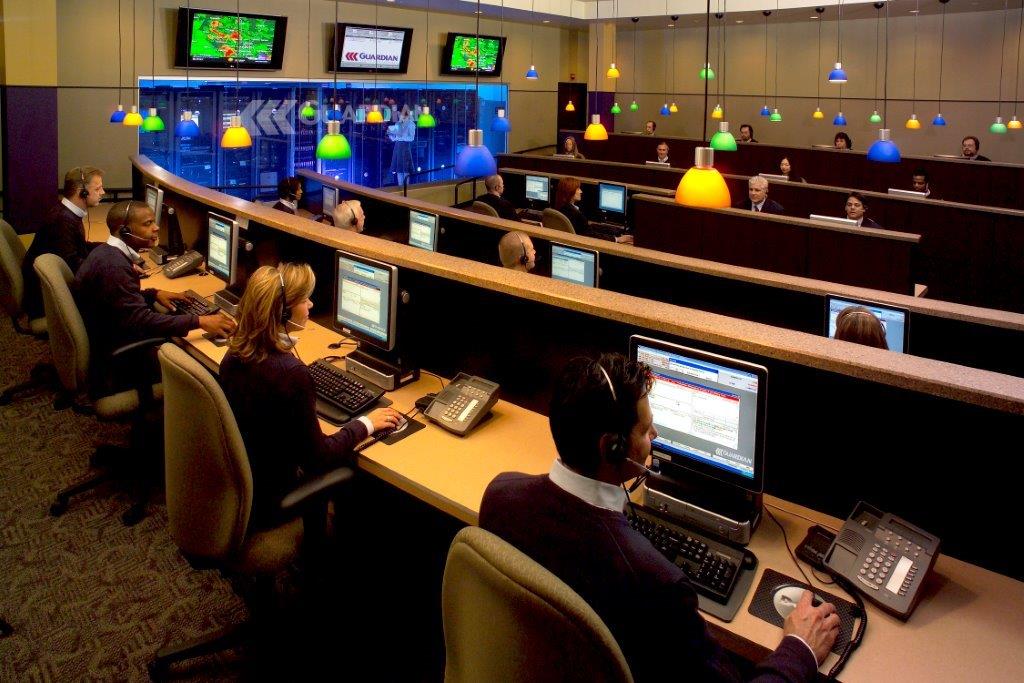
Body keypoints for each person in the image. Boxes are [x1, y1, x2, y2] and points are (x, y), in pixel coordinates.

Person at [480, 354, 839, 683]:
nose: (655, 435)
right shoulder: (657, 584)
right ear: (612, 448)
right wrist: (799, 649)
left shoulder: (500, 497)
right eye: (645, 429)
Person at [220, 263, 403, 528]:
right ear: (283, 311)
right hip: (272, 498)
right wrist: (366, 424)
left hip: (242, 485)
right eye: (305, 299)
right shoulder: (291, 373)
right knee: (351, 472)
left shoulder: (235, 353)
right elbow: (319, 456)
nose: (311, 305)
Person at [74, 201, 236, 392]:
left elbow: (117, 299)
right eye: (147, 223)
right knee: (208, 374)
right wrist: (200, 321)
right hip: (117, 363)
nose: (156, 227)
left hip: (106, 337)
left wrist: (154, 294)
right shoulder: (114, 267)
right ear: (125, 231)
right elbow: (141, 320)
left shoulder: (106, 253)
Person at [21, 166, 105, 319]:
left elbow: (80, 247)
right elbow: (73, 265)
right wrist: (110, 266)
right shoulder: (62, 221)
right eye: (98, 188)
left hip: (49, 288)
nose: (103, 192)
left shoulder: (66, 212)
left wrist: (111, 250)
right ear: (82, 192)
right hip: (45, 299)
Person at [388, 109, 417, 185]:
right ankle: (400, 187)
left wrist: (400, 137)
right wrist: (391, 136)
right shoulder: (398, 123)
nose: (399, 116)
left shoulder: (411, 124)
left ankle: (405, 188)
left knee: (405, 169)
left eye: (400, 114)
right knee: (399, 170)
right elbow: (396, 137)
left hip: (405, 147)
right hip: (397, 146)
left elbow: (411, 138)